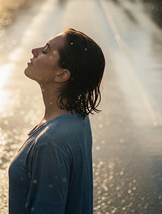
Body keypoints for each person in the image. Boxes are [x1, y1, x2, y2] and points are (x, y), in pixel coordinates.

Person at [8, 28, 105, 213]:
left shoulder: (50, 143)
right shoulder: (78, 119)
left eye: (45, 50)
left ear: (61, 75)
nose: (34, 51)